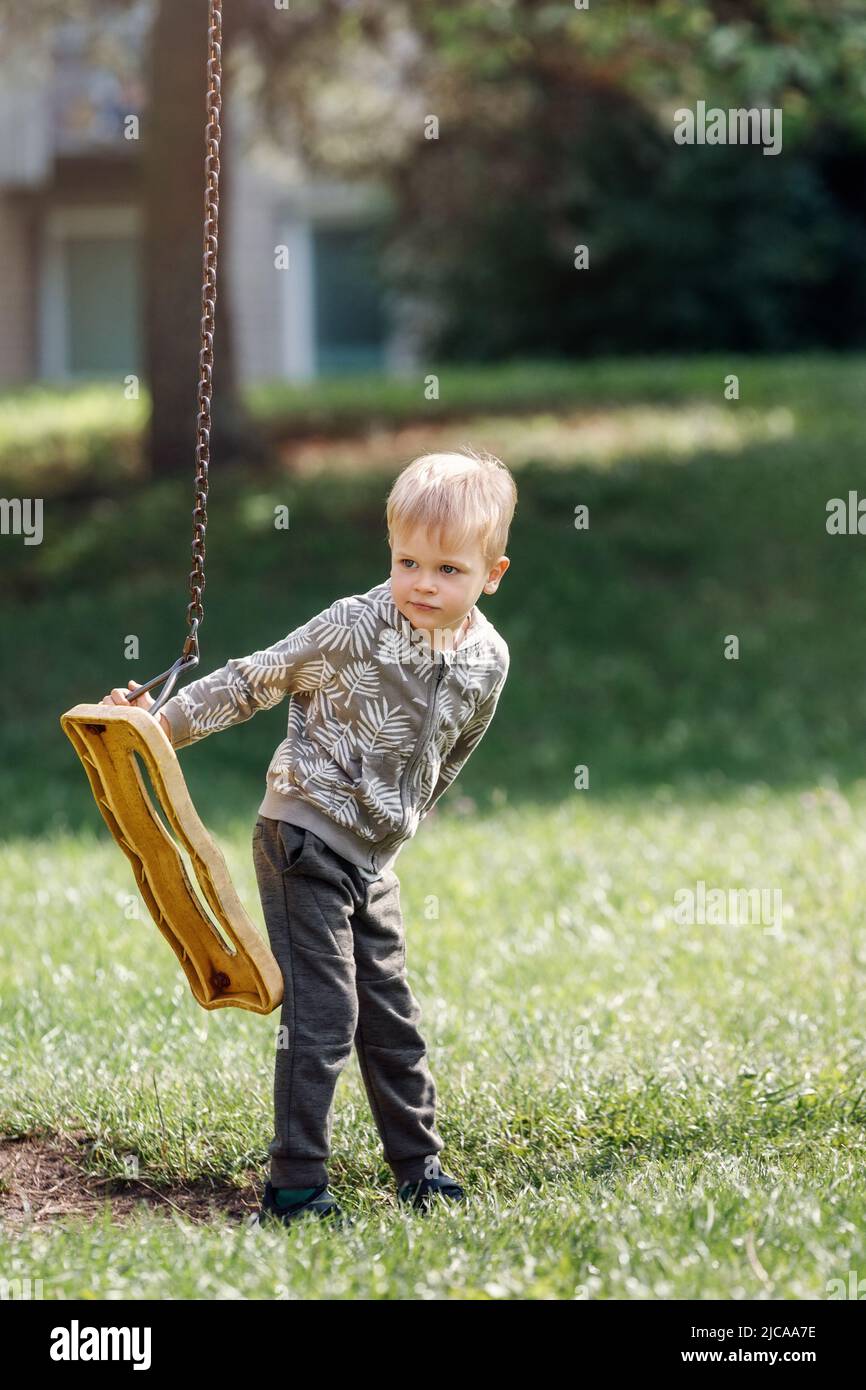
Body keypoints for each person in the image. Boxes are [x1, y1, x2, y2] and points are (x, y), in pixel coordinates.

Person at [101, 447, 515, 1226]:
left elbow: (454, 751)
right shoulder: (354, 625)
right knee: (326, 1017)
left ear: (492, 573)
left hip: (373, 858)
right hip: (303, 837)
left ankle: (420, 1171)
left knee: (391, 1018)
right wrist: (154, 726)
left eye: (449, 570)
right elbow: (253, 678)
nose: (423, 583)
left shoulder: (488, 659)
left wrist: (406, 821)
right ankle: (294, 1188)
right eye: (407, 561)